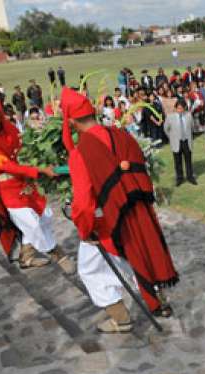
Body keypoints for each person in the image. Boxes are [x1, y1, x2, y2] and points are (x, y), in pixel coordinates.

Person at [60, 87, 178, 333]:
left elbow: (83, 202)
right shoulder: (122, 135)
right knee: (140, 253)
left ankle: (120, 317)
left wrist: (84, 228)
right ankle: (157, 301)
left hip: (107, 221)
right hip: (138, 208)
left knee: (89, 269)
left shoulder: (81, 152)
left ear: (71, 120)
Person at [0, 94, 71, 271]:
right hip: (7, 188)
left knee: (44, 215)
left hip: (26, 182)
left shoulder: (8, 127)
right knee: (30, 222)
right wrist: (39, 170)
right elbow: (7, 165)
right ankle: (56, 252)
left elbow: (24, 147)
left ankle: (26, 258)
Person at [164, 99, 196, 187]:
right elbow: (166, 129)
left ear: (185, 108)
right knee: (177, 161)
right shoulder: (170, 117)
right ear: (175, 108)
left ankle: (190, 176)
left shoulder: (189, 116)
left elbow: (192, 127)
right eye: (178, 108)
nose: (180, 110)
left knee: (188, 160)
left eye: (182, 108)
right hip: (176, 142)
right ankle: (179, 178)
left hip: (186, 141)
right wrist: (171, 138)